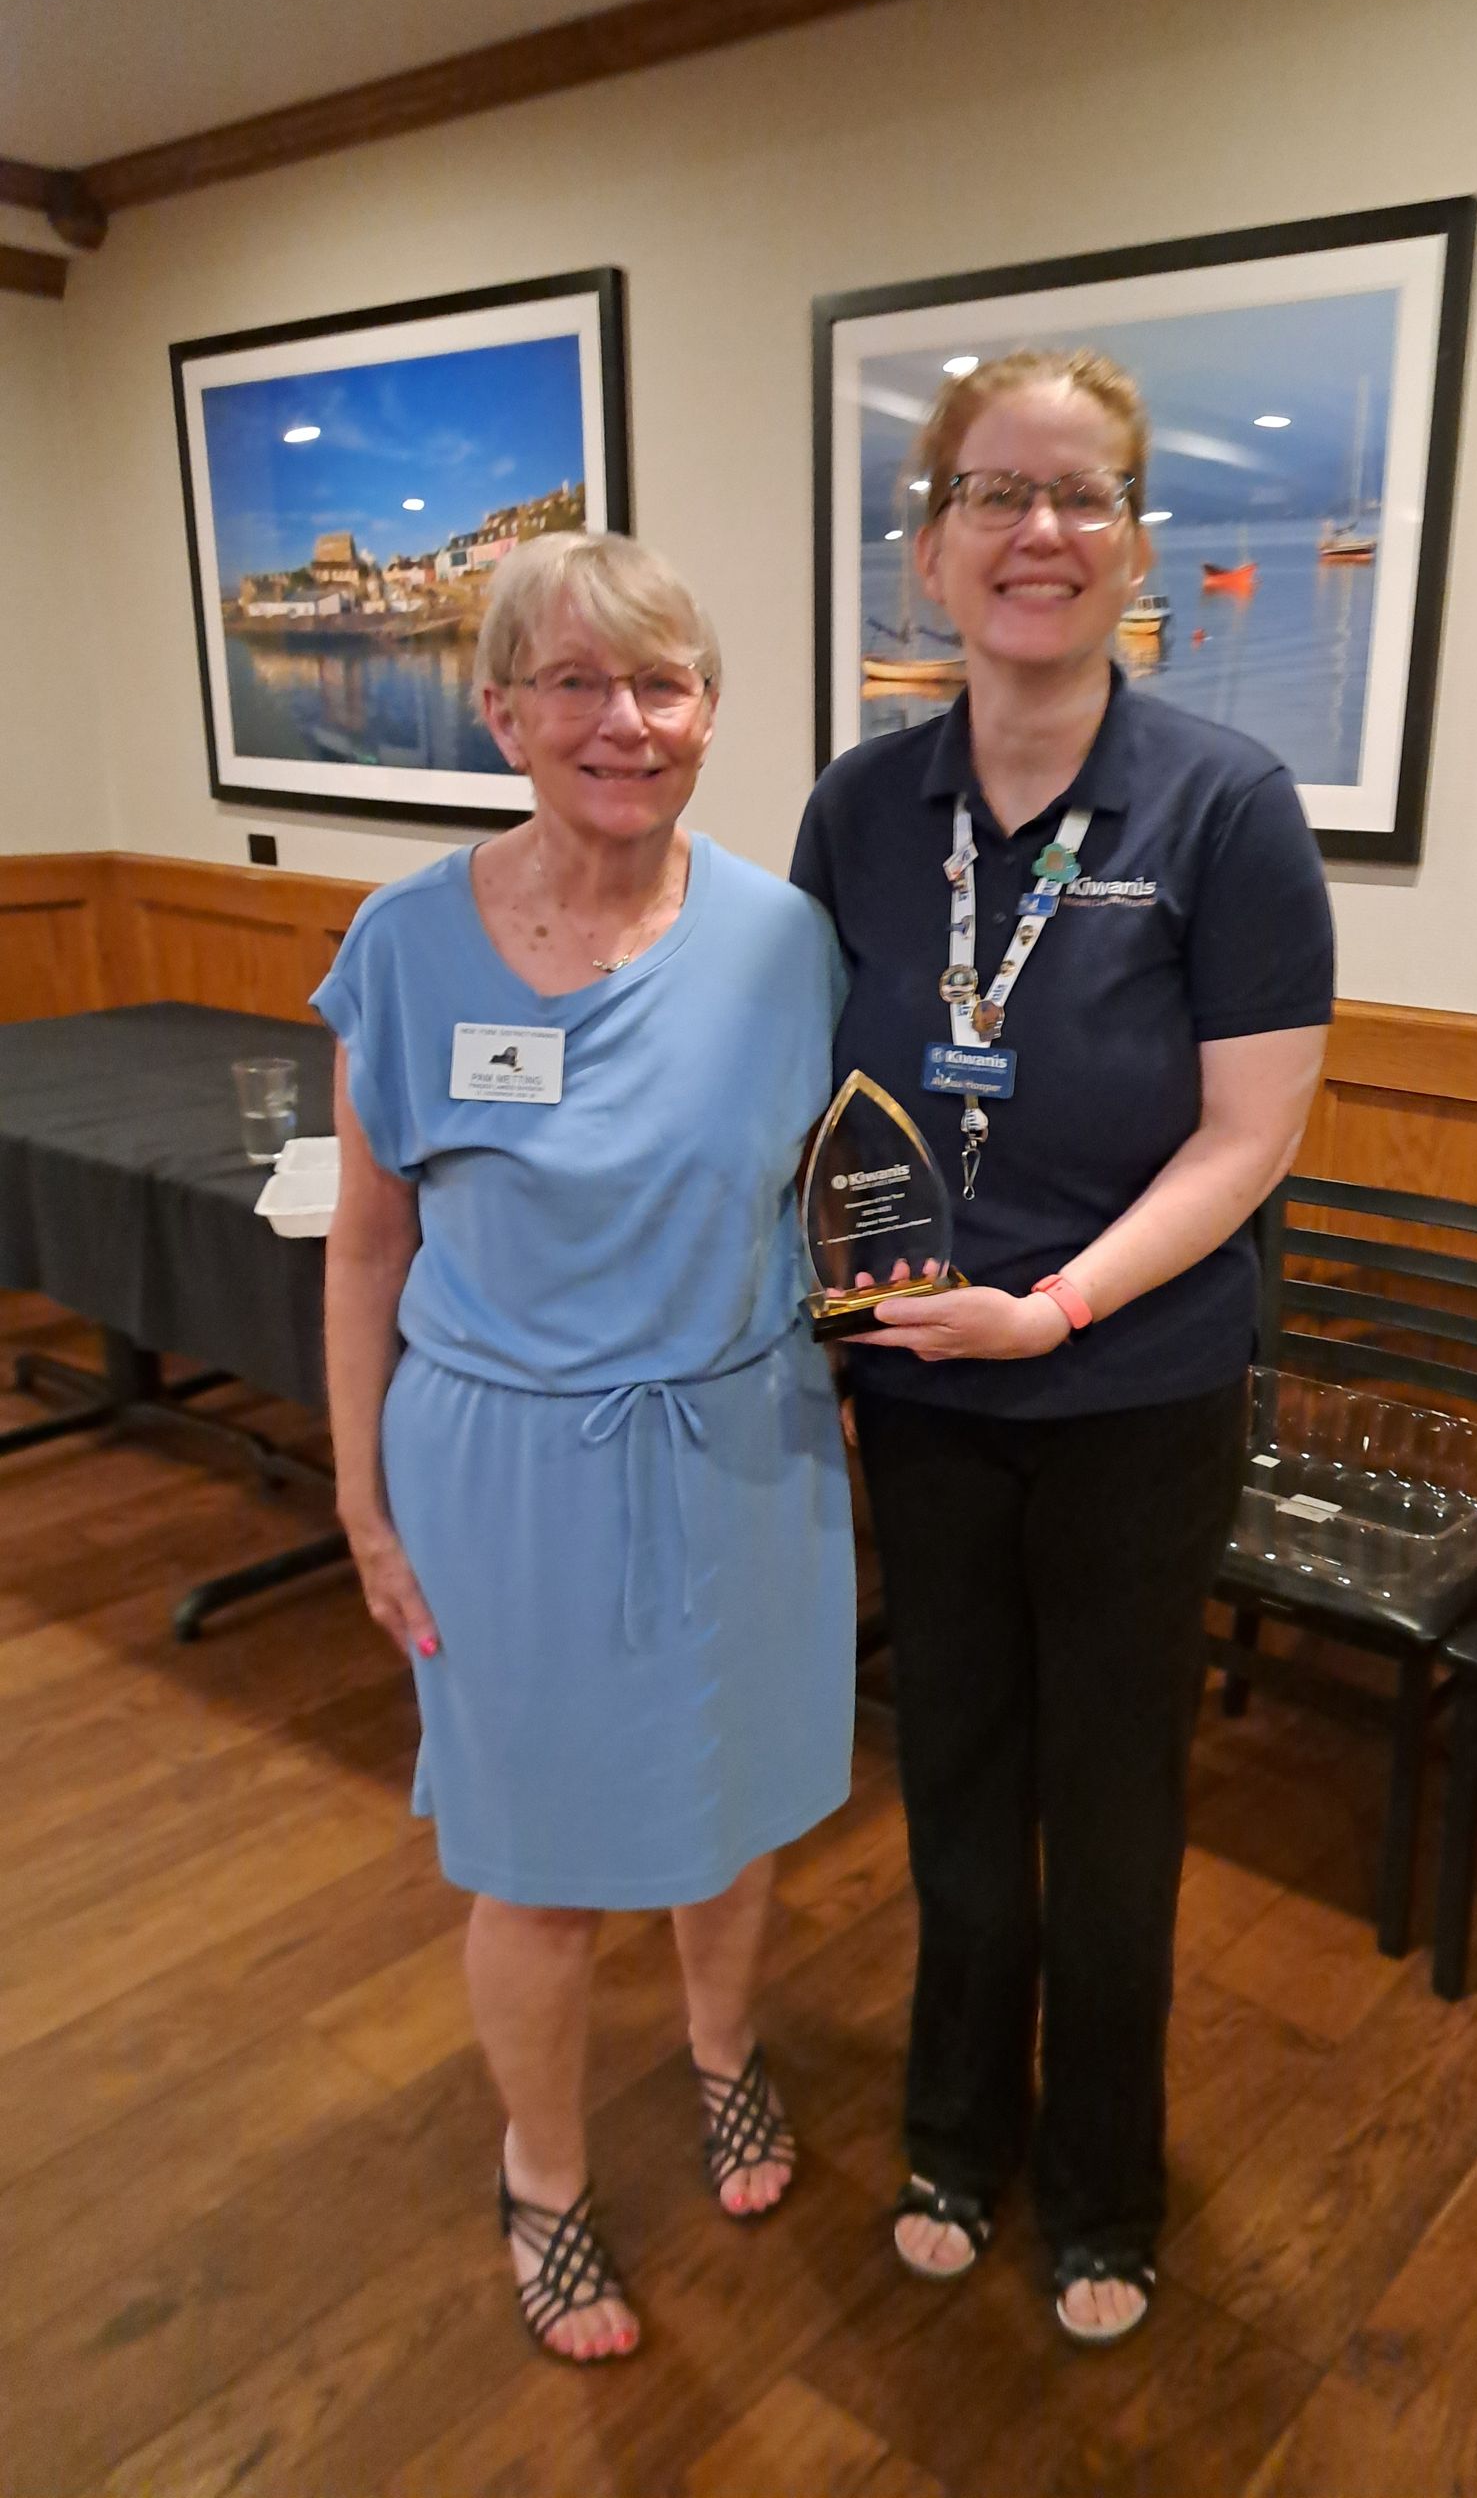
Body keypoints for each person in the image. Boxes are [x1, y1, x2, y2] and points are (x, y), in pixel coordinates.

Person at [791, 349, 1333, 2347]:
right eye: (996, 496)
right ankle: (953, 2127)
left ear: (1133, 547)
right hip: (923, 1396)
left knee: (1109, 1820)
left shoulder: (1224, 804)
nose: (1039, 532)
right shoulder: (859, 807)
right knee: (954, 1786)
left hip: (1130, 1396)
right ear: (927, 549)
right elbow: (792, 1088)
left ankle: (1103, 2179)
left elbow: (1251, 1134)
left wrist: (1060, 1301)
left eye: (1083, 495)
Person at [317, 531, 854, 2365]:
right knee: (534, 1861)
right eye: (574, 684)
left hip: (744, 1445)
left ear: (707, 716)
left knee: (733, 1809)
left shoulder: (789, 944)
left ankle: (722, 2054)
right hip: (508, 1472)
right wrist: (356, 1493)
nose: (622, 723)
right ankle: (540, 2176)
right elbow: (370, 1242)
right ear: (501, 713)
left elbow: (834, 1193)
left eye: (663, 685)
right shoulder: (402, 946)